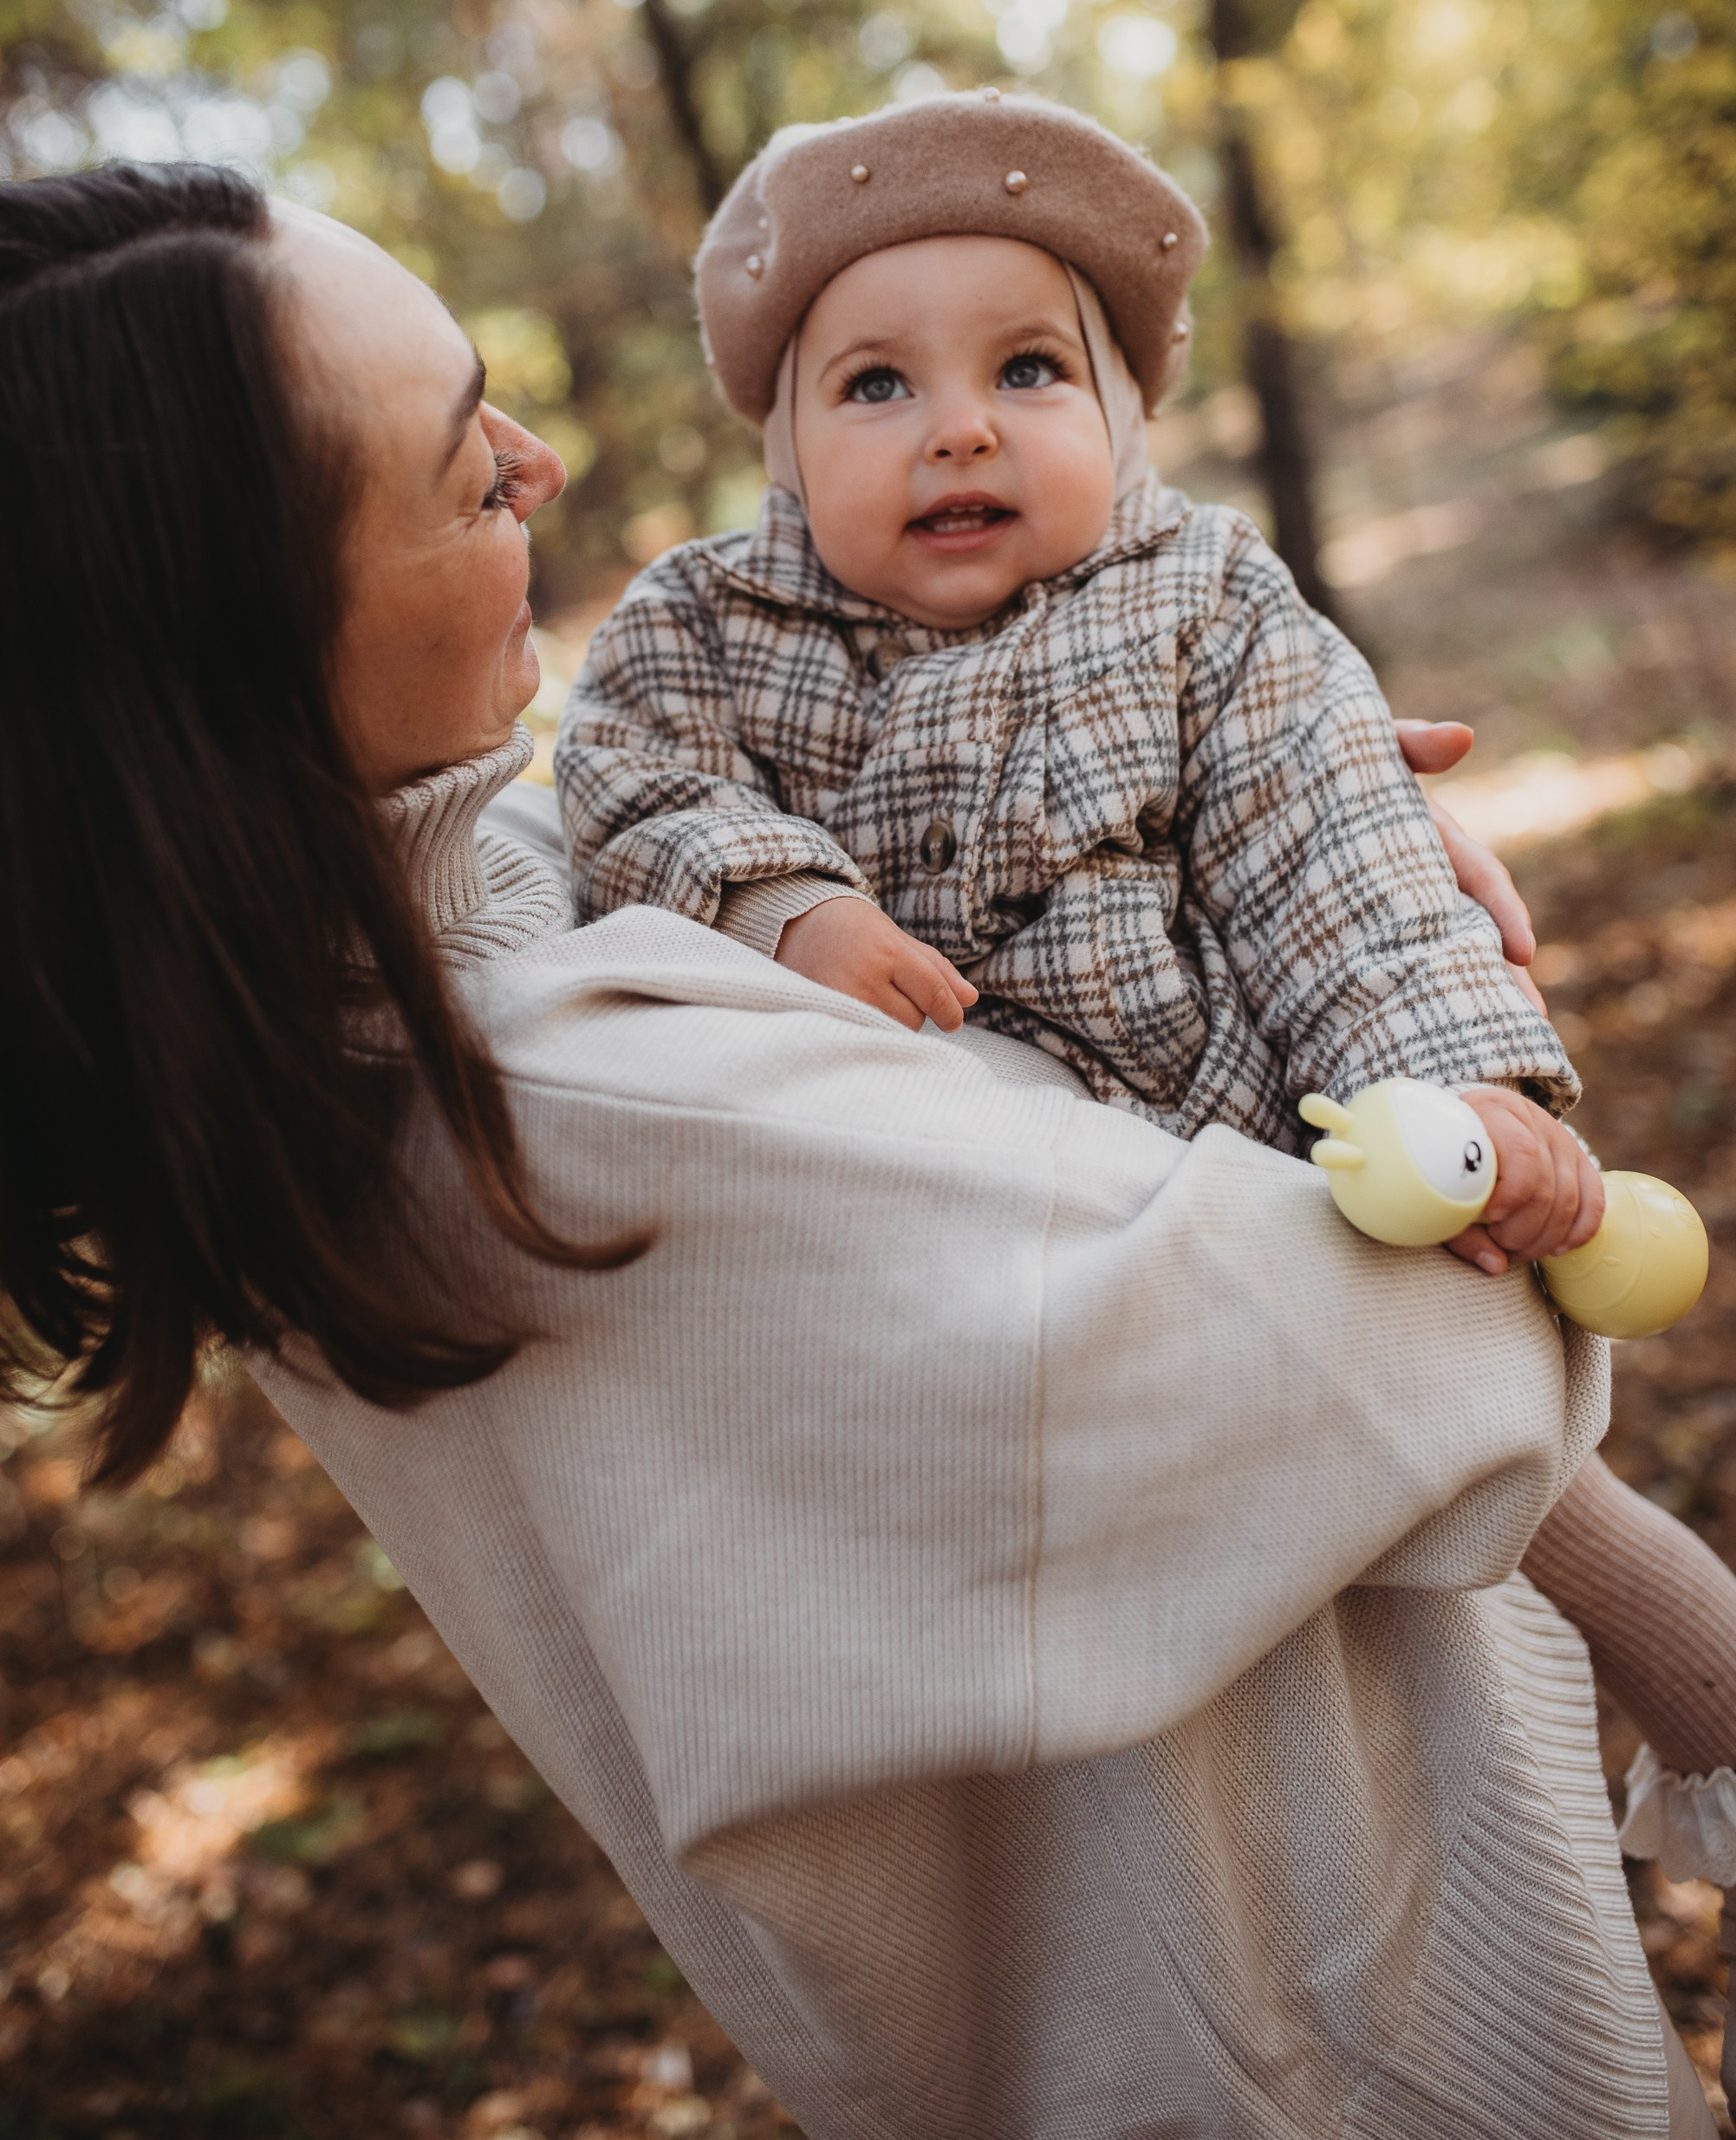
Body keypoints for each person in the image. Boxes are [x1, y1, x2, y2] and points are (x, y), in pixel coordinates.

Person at [2, 161, 1731, 2137]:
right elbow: (1429, 1340)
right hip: (1333, 2040)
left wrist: (1268, 811)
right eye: (461, 472)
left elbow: (691, 833)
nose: (544, 460)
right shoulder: (583, 1100)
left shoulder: (363, 1004)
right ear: (238, 637)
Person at [557, 91, 1597, 1283]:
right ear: (786, 452)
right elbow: (630, 780)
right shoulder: (709, 620)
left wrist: (1448, 1089)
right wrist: (777, 905)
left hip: (1218, 1170)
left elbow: (1335, 856)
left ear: (1121, 421)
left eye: (1029, 367)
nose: (957, 429)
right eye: (876, 385)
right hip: (905, 1210)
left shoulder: (1203, 600)